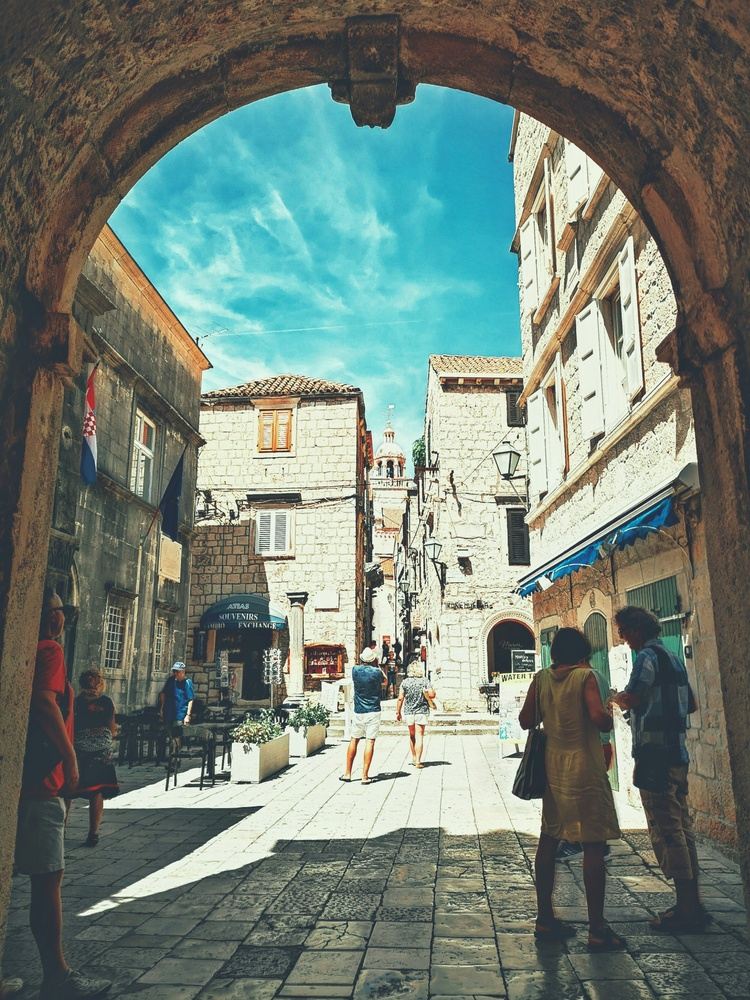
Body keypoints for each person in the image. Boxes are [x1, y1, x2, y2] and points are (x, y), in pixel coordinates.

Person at [14, 592, 111, 999]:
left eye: (64, 611)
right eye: (58, 610)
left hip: (20, 778)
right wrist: (69, 756)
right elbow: (43, 701)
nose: (63, 617)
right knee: (48, 880)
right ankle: (57, 975)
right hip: (43, 783)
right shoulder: (50, 650)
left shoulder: (20, 649)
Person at [519, 627, 622, 953]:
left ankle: (545, 918)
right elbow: (598, 719)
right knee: (593, 844)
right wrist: (610, 712)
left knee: (549, 839)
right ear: (582, 652)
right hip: (585, 767)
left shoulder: (541, 679)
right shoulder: (585, 677)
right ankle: (597, 928)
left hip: (553, 768)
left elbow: (525, 720)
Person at [610, 605, 706, 931]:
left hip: (654, 756)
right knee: (682, 827)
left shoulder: (646, 658)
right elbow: (691, 704)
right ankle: (693, 902)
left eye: (623, 631)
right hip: (677, 754)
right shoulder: (674, 658)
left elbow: (634, 697)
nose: (622, 637)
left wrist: (615, 698)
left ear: (636, 630)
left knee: (667, 829)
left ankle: (686, 910)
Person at [67, 671, 119, 847]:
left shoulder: (75, 702)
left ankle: (62, 827)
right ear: (100, 684)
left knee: (70, 788)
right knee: (97, 791)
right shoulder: (106, 702)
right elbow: (112, 727)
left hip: (78, 748)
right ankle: (93, 833)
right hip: (100, 751)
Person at [340, 646, 387, 785]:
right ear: (373, 660)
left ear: (361, 659)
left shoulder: (355, 670)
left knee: (354, 740)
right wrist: (377, 666)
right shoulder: (377, 672)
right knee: (370, 741)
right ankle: (365, 776)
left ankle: (348, 773)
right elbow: (385, 682)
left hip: (359, 710)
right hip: (373, 710)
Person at [395, 656, 436, 768]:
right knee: (419, 736)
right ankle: (418, 761)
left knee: (412, 735)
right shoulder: (425, 681)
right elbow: (432, 695)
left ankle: (413, 757)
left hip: (409, 712)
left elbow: (400, 698)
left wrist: (398, 712)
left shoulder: (405, 682)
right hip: (422, 711)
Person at [159, 661, 194, 734]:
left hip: (180, 715)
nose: (175, 673)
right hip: (168, 713)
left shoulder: (187, 682)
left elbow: (190, 699)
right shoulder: (171, 680)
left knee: (177, 735)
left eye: (177, 671)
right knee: (167, 734)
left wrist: (188, 715)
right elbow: (163, 693)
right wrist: (162, 708)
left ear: (183, 672)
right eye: (174, 671)